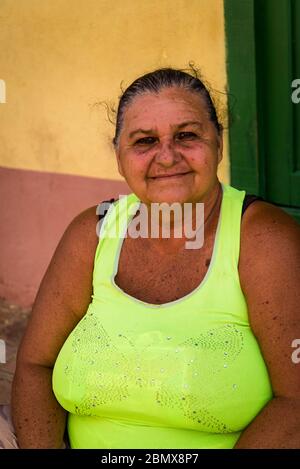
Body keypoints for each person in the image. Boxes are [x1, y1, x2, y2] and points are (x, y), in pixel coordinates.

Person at [8, 68, 300, 449]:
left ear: (218, 145)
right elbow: (34, 367)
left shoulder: (263, 238)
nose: (167, 156)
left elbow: (294, 402)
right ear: (119, 157)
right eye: (145, 141)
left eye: (187, 135)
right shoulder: (93, 232)